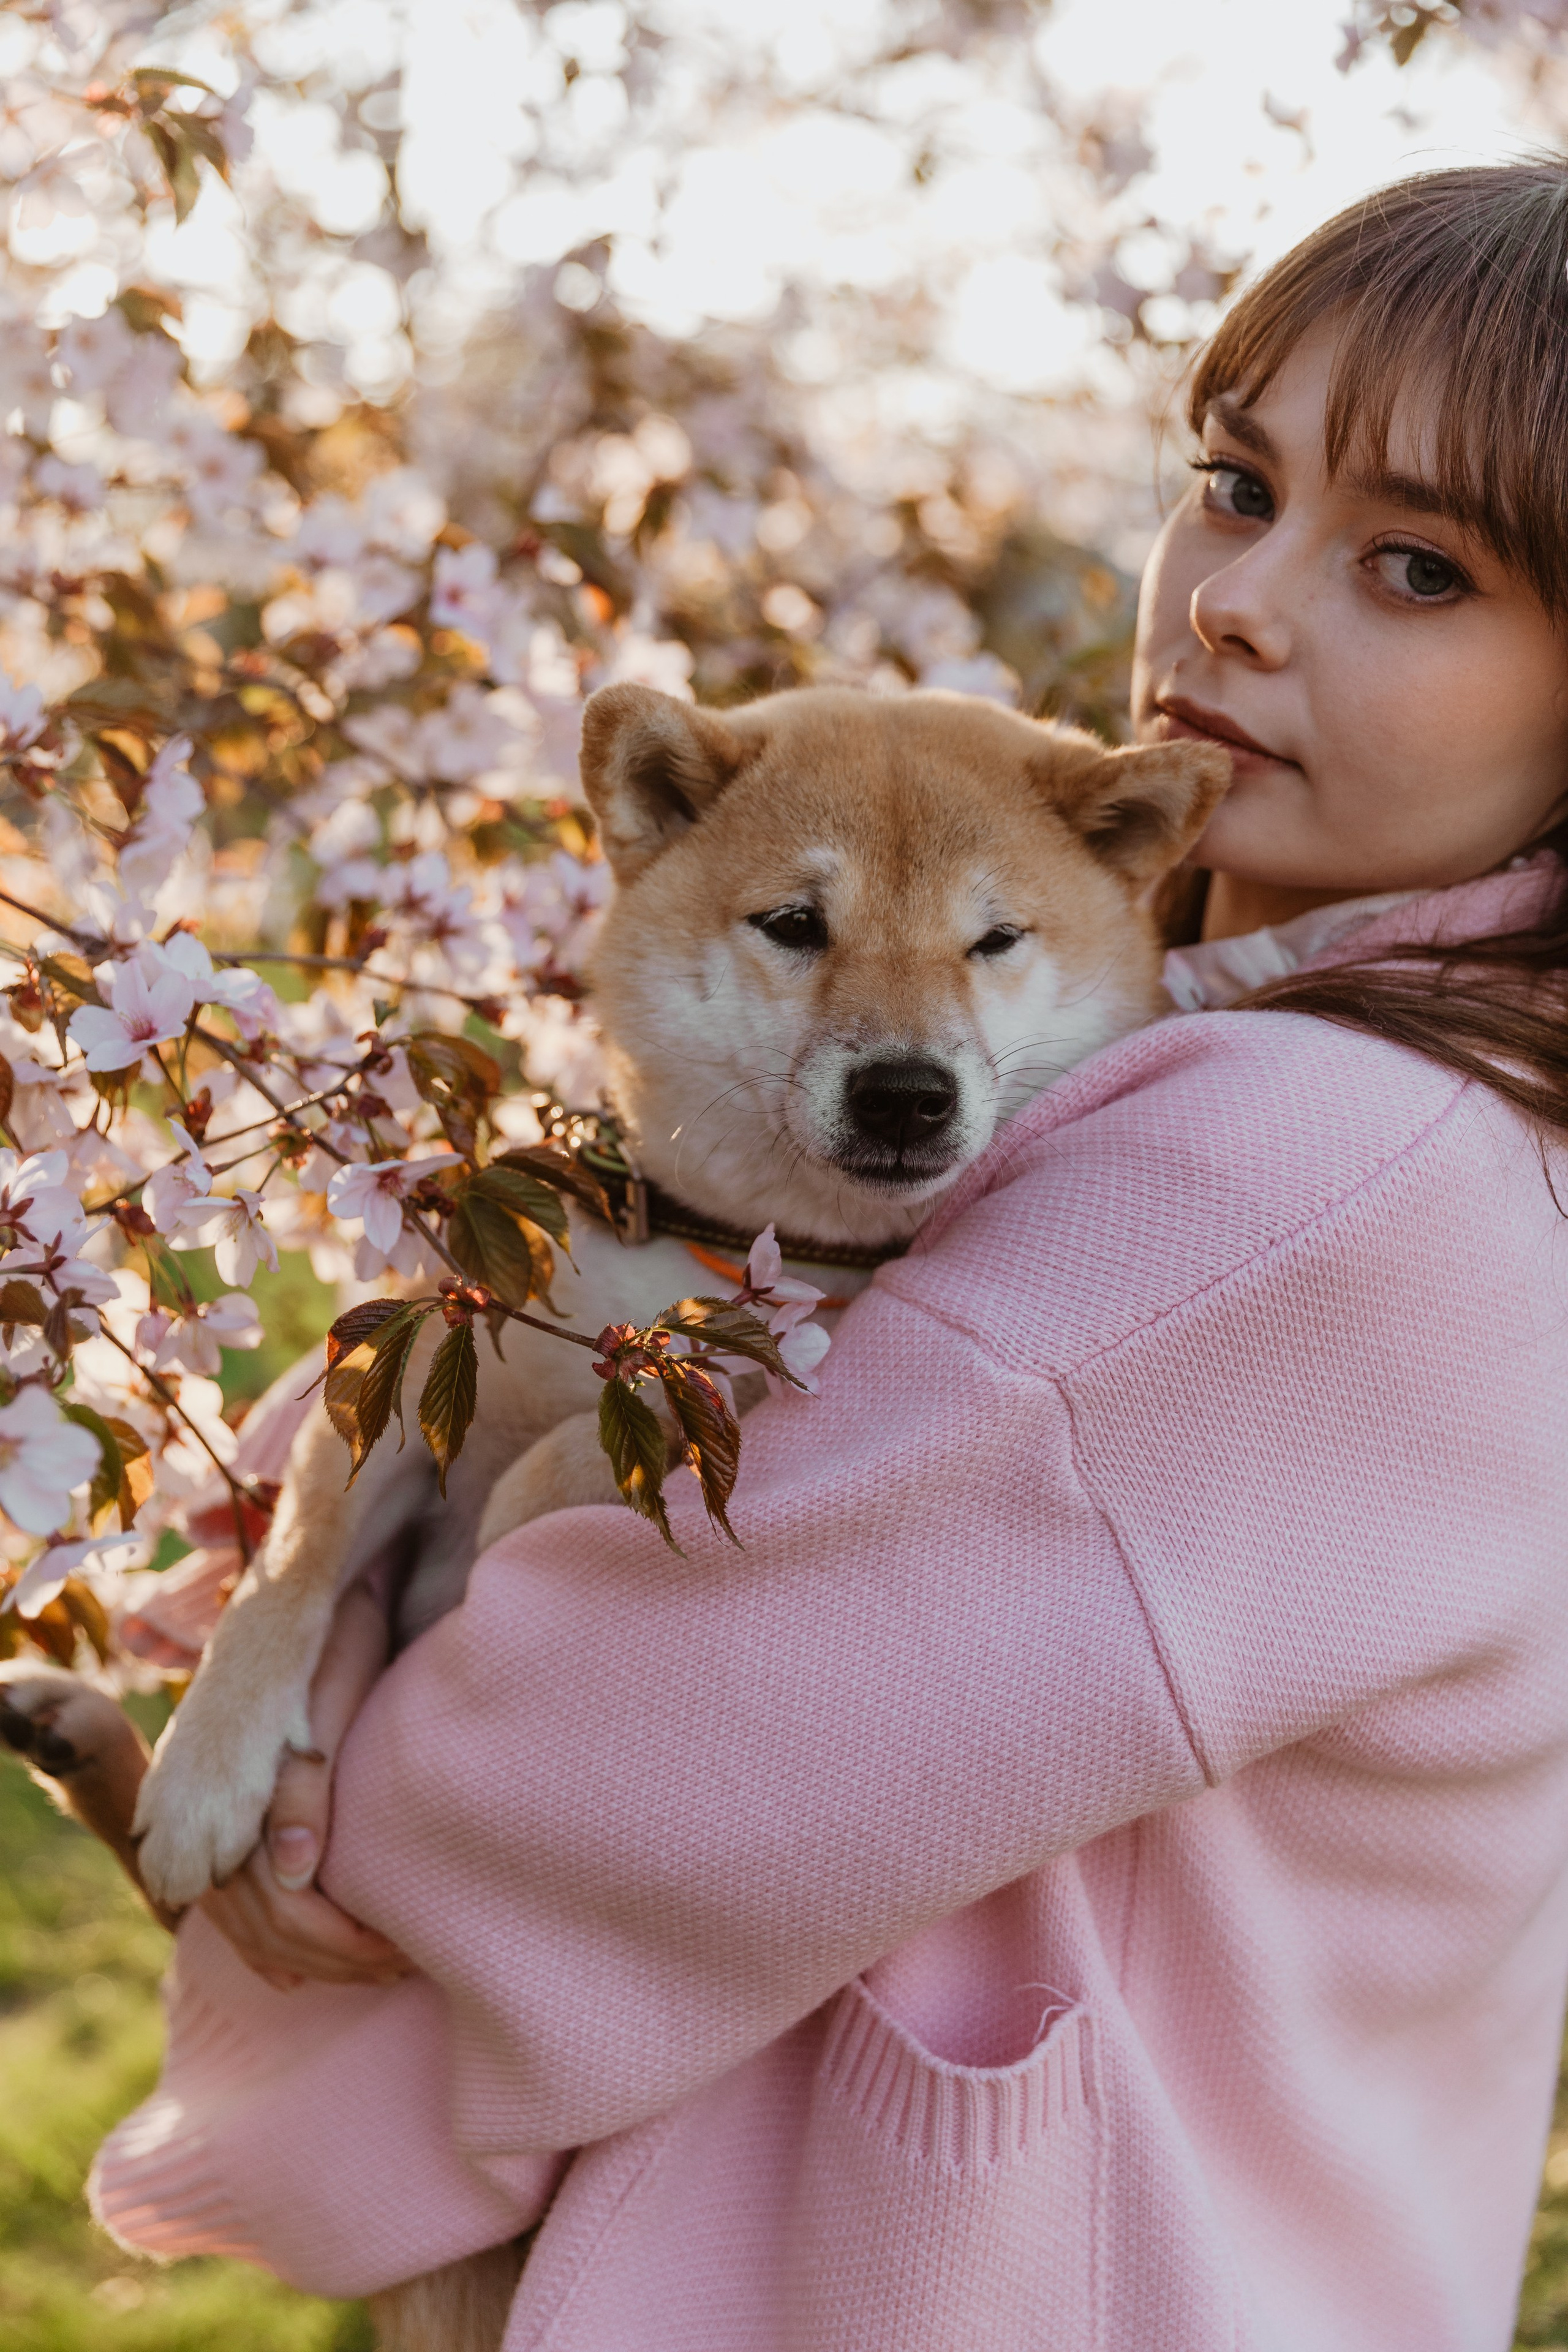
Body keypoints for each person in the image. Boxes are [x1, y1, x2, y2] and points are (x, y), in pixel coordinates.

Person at [76, 160, 1568, 2348]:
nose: (1238, 604)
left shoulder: (1310, 1184)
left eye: (1417, 565)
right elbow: (548, 1355)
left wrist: (319, 1727)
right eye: (1234, 485)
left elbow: (606, 1770)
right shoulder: (1316, 1072)